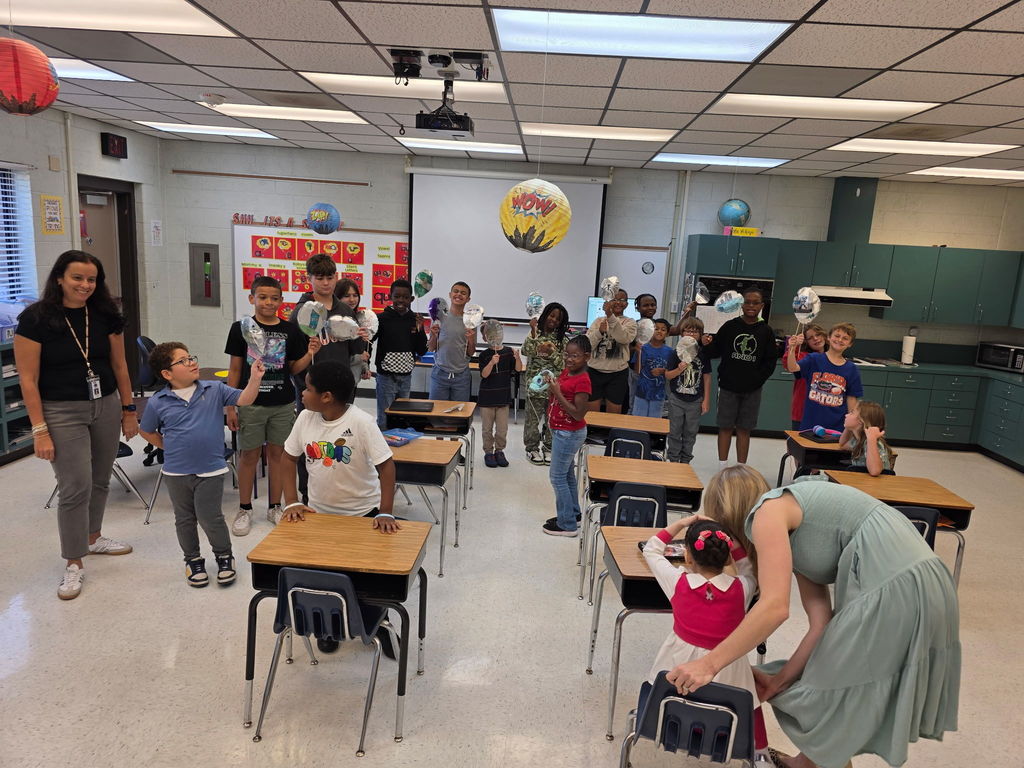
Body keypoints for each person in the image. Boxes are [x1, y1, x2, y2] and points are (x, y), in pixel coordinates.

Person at [667, 466, 960, 768]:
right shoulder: (794, 523)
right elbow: (821, 623)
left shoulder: (767, 513)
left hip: (896, 584)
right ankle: (804, 764)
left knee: (829, 695)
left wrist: (709, 663)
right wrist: (777, 682)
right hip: (926, 581)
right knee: (824, 678)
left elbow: (775, 607)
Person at [14, 250, 138, 601]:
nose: (85, 285)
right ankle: (73, 562)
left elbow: (120, 365)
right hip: (61, 410)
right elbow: (28, 378)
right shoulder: (35, 319)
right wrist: (39, 429)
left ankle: (93, 537)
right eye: (77, 278)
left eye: (91, 279)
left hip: (106, 405)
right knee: (75, 486)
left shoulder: (104, 314)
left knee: (100, 477)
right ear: (59, 279)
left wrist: (128, 409)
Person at [279, 360, 399, 657]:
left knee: (366, 577)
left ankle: (379, 621)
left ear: (327, 397)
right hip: (320, 515)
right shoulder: (305, 418)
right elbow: (287, 459)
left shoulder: (361, 422)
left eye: (307, 388)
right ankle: (328, 626)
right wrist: (293, 501)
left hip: (362, 515)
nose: (303, 393)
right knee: (324, 576)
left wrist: (385, 511)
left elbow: (387, 467)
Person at [139, 343, 265, 587]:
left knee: (211, 517)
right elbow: (146, 431)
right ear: (167, 374)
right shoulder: (159, 401)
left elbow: (245, 399)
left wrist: (255, 379)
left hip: (211, 468)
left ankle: (224, 556)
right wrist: (169, 447)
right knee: (184, 518)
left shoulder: (214, 389)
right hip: (176, 472)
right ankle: (193, 560)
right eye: (183, 361)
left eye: (191, 357)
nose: (192, 362)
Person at [642, 517, 768, 761]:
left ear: (687, 557)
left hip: (677, 673)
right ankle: (760, 754)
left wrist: (682, 523)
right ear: (728, 557)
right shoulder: (742, 588)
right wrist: (729, 539)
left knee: (657, 685)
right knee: (747, 701)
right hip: (727, 669)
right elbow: (749, 567)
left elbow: (652, 549)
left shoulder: (678, 582)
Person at [224, 275, 319, 535]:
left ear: (281, 301)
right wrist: (230, 405)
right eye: (263, 297)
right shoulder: (240, 327)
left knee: (279, 456)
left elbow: (294, 369)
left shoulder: (290, 330)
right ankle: (244, 508)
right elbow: (234, 369)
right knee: (249, 456)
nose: (268, 302)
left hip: (282, 403)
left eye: (274, 298)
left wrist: (311, 353)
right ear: (252, 298)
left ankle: (275, 506)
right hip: (250, 404)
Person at [706, 289, 777, 467]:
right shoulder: (730, 327)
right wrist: (705, 343)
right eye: (747, 302)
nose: (751, 306)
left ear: (762, 306)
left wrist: (757, 380)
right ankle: (722, 466)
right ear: (741, 304)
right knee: (725, 427)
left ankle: (741, 467)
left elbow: (770, 362)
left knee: (745, 429)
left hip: (752, 389)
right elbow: (715, 351)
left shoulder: (766, 331)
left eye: (755, 303)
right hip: (728, 386)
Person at [542, 335, 592, 538]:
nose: (569, 359)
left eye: (575, 356)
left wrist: (557, 392)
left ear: (587, 357)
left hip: (569, 433)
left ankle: (567, 524)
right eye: (567, 354)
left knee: (557, 477)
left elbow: (578, 413)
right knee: (567, 474)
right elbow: (556, 394)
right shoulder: (568, 372)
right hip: (561, 431)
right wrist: (551, 385)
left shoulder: (583, 380)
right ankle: (573, 514)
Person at [786, 322, 862, 433]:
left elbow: (851, 399)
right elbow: (793, 367)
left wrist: (852, 427)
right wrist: (792, 348)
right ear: (829, 337)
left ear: (850, 344)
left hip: (837, 427)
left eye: (845, 338)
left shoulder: (852, 369)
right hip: (810, 424)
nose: (840, 340)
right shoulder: (814, 359)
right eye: (837, 336)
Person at [373, 278, 427, 429]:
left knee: (403, 416)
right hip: (386, 377)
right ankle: (383, 448)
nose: (401, 300)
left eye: (405, 297)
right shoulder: (381, 319)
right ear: (390, 296)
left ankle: (401, 448)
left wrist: (421, 329)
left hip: (406, 377)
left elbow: (422, 350)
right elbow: (368, 341)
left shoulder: (414, 320)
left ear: (412, 299)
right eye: (397, 296)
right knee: (385, 417)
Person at [521, 302, 569, 466]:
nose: (554, 320)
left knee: (552, 420)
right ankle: (532, 448)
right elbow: (526, 350)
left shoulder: (562, 338)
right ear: (545, 314)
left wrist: (552, 352)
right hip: (534, 387)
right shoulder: (536, 332)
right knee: (532, 421)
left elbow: (563, 365)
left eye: (558, 319)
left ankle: (548, 448)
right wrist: (533, 331)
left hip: (553, 389)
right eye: (552, 315)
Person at [664, 316, 712, 464]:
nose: (691, 335)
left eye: (695, 332)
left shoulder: (703, 354)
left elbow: (707, 377)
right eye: (688, 331)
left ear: (700, 335)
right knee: (674, 431)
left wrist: (706, 400)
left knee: (690, 432)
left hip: (695, 401)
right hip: (676, 399)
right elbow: (667, 375)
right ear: (681, 333)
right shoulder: (674, 354)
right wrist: (679, 370)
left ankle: (685, 460)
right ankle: (673, 459)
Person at [585, 288, 637, 414]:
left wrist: (610, 316)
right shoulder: (598, 321)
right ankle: (592, 433)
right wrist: (599, 332)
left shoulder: (630, 322)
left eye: (622, 299)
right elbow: (587, 345)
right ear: (608, 301)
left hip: (617, 374)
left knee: (613, 414)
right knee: (592, 414)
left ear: (626, 303)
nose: (618, 302)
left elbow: (624, 338)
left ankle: (610, 434)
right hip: (594, 371)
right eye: (614, 299)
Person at [477, 335, 523, 468]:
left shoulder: (508, 351)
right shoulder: (484, 355)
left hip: (503, 397)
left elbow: (518, 369)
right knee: (487, 428)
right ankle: (488, 452)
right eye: (489, 335)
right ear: (485, 339)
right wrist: (491, 363)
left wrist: (517, 357)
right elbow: (484, 374)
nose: (494, 337)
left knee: (502, 429)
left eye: (496, 333)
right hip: (487, 398)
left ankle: (499, 450)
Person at [428, 281, 477, 401]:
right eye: (456, 291)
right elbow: (431, 348)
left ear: (468, 299)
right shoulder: (438, 317)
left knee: (459, 414)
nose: (459, 294)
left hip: (461, 376)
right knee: (436, 413)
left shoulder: (470, 321)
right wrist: (434, 335)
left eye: (463, 293)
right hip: (440, 373)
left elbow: (471, 352)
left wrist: (471, 340)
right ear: (450, 295)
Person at [839, 400, 895, 476]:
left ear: (861, 421)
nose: (846, 415)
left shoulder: (872, 442)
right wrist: (848, 427)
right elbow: (843, 445)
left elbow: (875, 471)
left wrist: (871, 439)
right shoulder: (858, 440)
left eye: (852, 413)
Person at [788, 324, 827, 430]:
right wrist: (793, 347)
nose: (815, 339)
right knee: (798, 444)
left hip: (825, 411)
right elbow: (791, 366)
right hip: (803, 410)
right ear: (806, 342)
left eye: (818, 334)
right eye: (810, 338)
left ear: (824, 336)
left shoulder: (833, 358)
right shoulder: (805, 357)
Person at [632, 318, 672, 418]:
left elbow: (671, 372)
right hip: (641, 392)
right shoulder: (642, 348)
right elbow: (637, 371)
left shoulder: (670, 352)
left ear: (667, 333)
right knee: (638, 422)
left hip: (659, 394)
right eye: (656, 329)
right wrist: (638, 352)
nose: (659, 331)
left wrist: (662, 371)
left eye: (663, 329)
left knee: (654, 423)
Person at [337, 277, 371, 389]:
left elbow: (361, 350)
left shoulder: (358, 319)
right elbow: (339, 355)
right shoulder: (335, 322)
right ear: (337, 297)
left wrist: (365, 367)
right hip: (338, 380)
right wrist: (359, 358)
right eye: (347, 296)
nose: (352, 300)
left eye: (355, 295)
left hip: (353, 380)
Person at [628, 293, 658, 413]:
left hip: (653, 371)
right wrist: (636, 348)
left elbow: (676, 330)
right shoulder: (633, 325)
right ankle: (631, 429)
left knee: (652, 402)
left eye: (653, 305)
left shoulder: (659, 326)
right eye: (646, 305)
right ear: (638, 308)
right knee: (634, 400)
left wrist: (687, 312)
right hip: (636, 370)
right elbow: (626, 348)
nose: (650, 308)